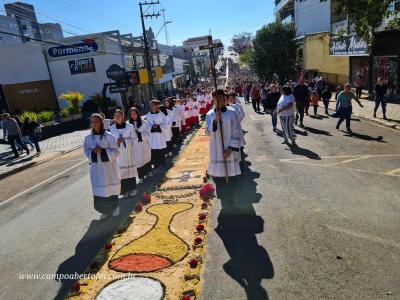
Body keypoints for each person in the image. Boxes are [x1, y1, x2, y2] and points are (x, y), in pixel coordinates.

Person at [84, 114, 120, 217]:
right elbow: (86, 151)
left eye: (96, 121)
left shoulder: (109, 136)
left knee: (111, 189)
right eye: (92, 122)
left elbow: (116, 152)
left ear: (101, 123)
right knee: (100, 191)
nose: (94, 124)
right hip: (96, 169)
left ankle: (115, 207)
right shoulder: (88, 138)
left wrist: (103, 151)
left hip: (109, 168)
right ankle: (104, 211)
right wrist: (93, 152)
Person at [206, 89, 242, 180]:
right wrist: (215, 120)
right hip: (216, 148)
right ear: (213, 99)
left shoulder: (231, 112)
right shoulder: (210, 114)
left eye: (221, 98)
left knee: (231, 180)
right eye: (215, 98)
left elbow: (237, 132)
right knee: (218, 180)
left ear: (224, 98)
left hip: (229, 149)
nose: (218, 100)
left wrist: (230, 150)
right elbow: (208, 132)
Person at [110, 109, 138, 197]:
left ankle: (133, 188)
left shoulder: (130, 127)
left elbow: (134, 139)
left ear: (123, 116)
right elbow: (110, 142)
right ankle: (125, 190)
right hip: (118, 154)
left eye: (119, 115)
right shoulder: (112, 128)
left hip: (128, 152)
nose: (117, 117)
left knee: (130, 170)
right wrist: (116, 141)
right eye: (115, 116)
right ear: (114, 118)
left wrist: (125, 140)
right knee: (121, 172)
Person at [129, 107, 151, 183]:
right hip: (135, 146)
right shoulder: (128, 125)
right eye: (132, 114)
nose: (133, 115)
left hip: (144, 144)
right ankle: (140, 176)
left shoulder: (144, 122)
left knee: (146, 157)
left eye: (135, 114)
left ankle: (148, 171)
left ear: (137, 114)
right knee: (138, 161)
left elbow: (148, 133)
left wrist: (139, 133)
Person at [146, 99, 168, 169]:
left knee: (160, 148)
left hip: (159, 135)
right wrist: (151, 126)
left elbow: (165, 124)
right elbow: (147, 125)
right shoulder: (148, 115)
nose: (151, 106)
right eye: (151, 105)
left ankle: (162, 161)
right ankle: (156, 163)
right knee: (154, 149)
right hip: (152, 135)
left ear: (156, 106)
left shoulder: (161, 114)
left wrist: (158, 126)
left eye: (153, 105)